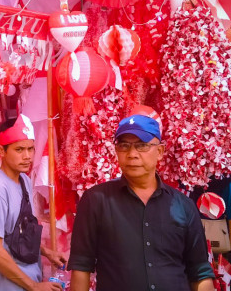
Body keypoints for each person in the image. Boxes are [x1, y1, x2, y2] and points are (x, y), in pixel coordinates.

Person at [68, 114, 215, 291]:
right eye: (124, 146)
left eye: (142, 146)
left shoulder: (182, 205)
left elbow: (199, 271)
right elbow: (81, 265)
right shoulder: (95, 200)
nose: (132, 154)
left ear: (159, 152)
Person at [0, 114, 66, 291]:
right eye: (19, 150)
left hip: (26, 279)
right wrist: (33, 286)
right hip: (6, 286)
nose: (27, 156)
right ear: (2, 151)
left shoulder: (24, 180)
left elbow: (18, 233)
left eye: (30, 149)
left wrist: (47, 252)